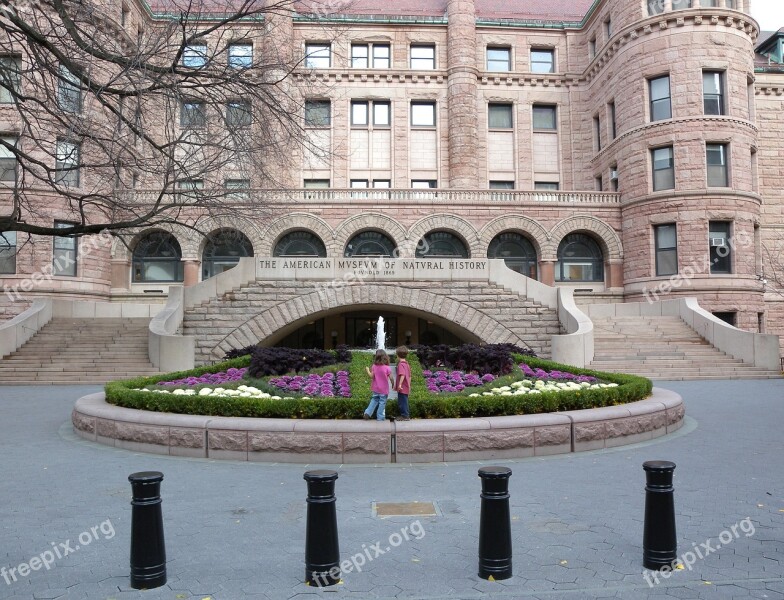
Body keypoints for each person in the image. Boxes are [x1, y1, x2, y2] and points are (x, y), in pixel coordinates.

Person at [363, 349, 394, 421]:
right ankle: (380, 417)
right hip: (384, 390)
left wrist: (367, 370)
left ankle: (367, 412)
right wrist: (393, 384)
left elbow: (371, 376)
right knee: (382, 403)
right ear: (385, 357)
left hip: (375, 388)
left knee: (374, 400)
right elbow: (391, 378)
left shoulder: (374, 366)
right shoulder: (387, 368)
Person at [394, 346, 411, 420]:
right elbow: (410, 376)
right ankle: (405, 415)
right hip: (406, 386)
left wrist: (400, 384)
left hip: (402, 386)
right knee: (405, 400)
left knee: (402, 402)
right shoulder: (407, 364)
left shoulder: (400, 364)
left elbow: (402, 375)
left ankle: (405, 415)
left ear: (397, 355)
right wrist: (409, 386)